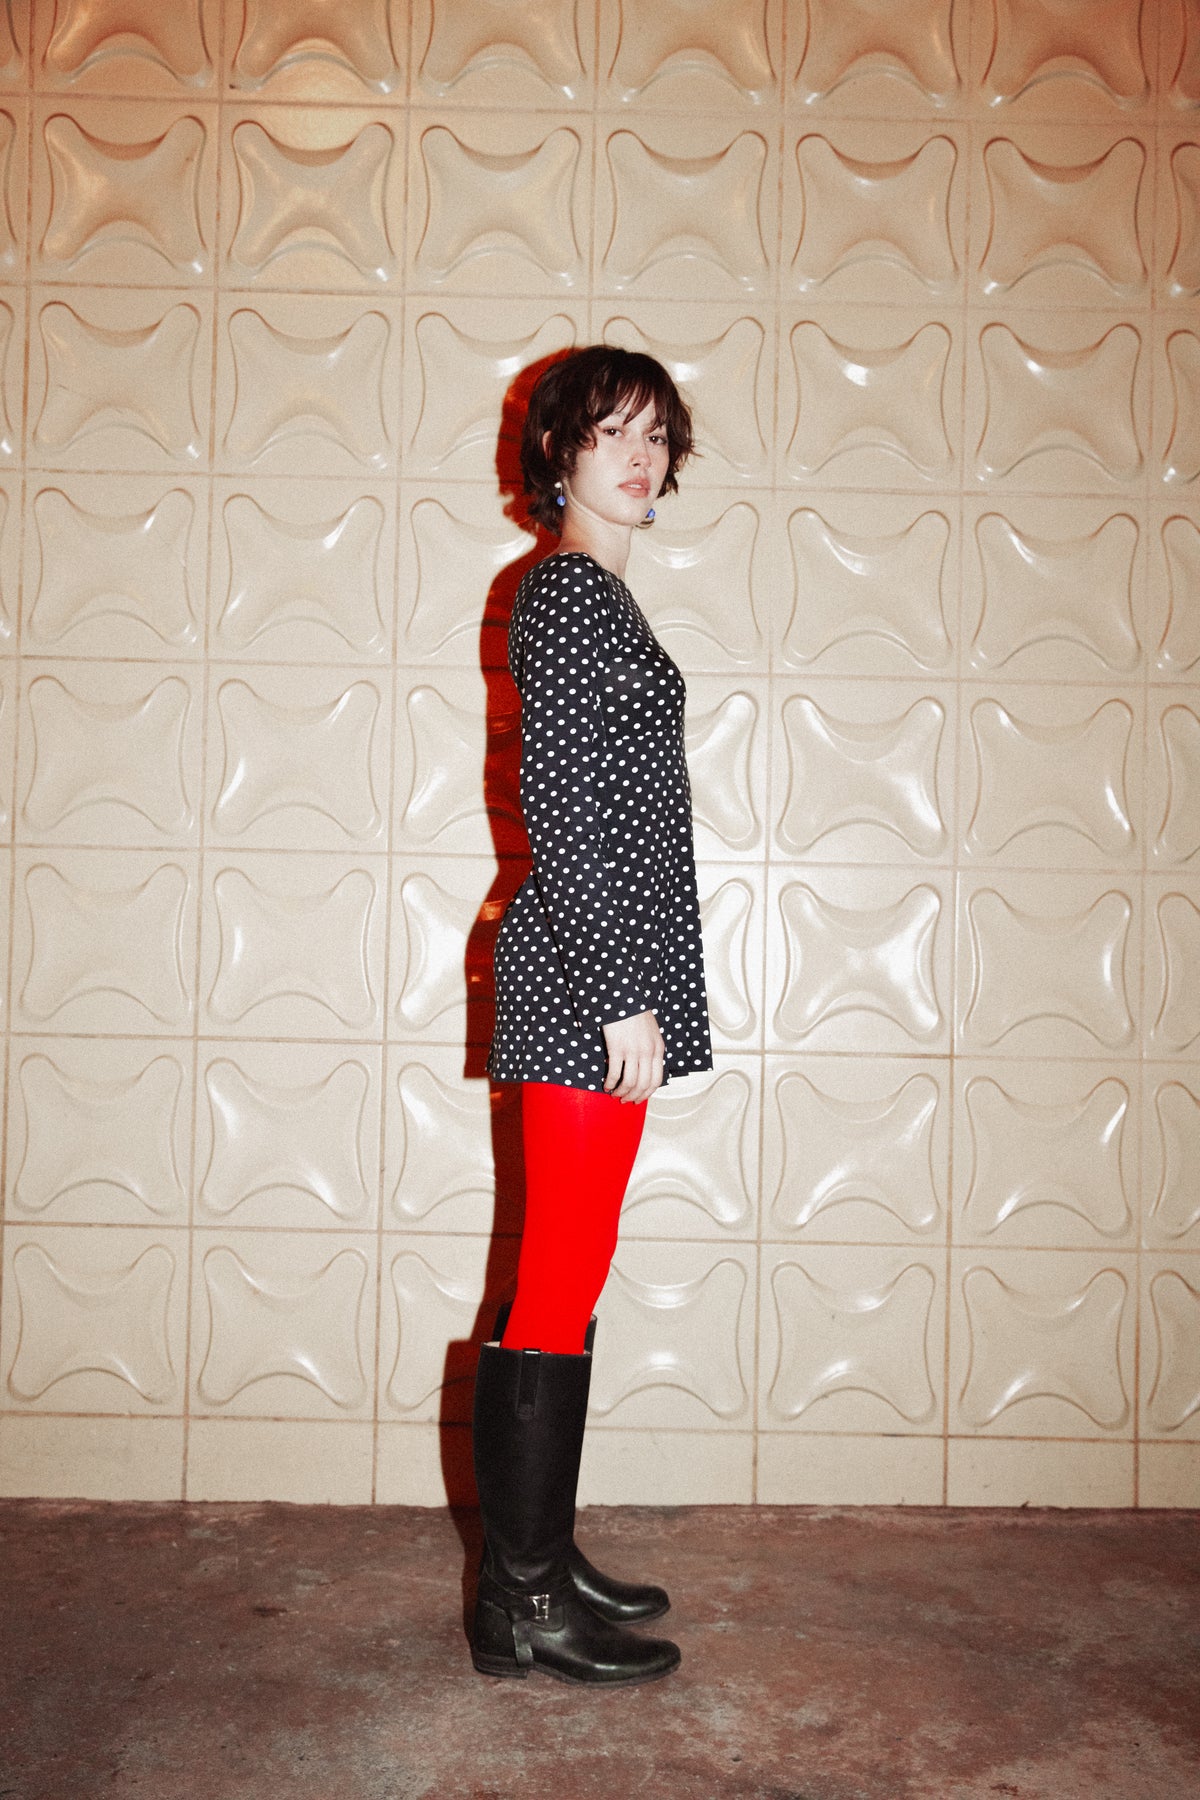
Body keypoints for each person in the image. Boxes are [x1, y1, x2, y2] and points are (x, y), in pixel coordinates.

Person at [472, 346, 713, 1685]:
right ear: (559, 452)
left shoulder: (596, 597)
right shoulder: (566, 593)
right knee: (560, 1273)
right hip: (584, 979)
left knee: (570, 1269)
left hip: (596, 972)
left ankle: (541, 1559)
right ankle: (517, 1602)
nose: (639, 454)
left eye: (657, 435)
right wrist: (622, 992)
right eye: (611, 430)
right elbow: (563, 806)